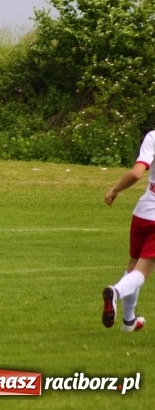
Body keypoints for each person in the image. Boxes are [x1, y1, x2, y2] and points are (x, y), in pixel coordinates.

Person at [101, 129, 155, 332]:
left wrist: (115, 189)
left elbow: (136, 173)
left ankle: (129, 321)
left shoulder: (153, 136)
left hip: (143, 211)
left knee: (133, 264)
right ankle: (115, 291)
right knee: (142, 271)